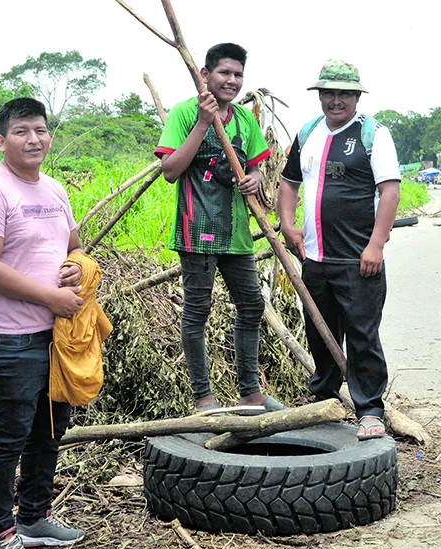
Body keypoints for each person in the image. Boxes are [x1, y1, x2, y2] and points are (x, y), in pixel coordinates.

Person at [0, 97, 86, 549]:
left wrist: (75, 271)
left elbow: (72, 246)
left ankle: (34, 517)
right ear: (1, 140)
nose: (33, 139)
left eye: (40, 129)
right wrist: (49, 298)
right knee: (7, 437)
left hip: (56, 336)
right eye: (20, 131)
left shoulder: (53, 189)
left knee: (48, 432)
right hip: (8, 337)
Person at [155, 43, 282, 415]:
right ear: (205, 75)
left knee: (252, 305)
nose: (232, 80)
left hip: (236, 232)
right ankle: (203, 397)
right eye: (224, 73)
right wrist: (202, 123)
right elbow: (170, 171)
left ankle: (250, 392)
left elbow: (257, 167)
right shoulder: (183, 113)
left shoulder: (244, 120)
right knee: (197, 310)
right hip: (197, 229)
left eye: (238, 74)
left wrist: (253, 180)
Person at [278, 59, 401, 440]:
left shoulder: (373, 134)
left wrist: (376, 245)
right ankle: (324, 398)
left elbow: (390, 191)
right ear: (320, 96)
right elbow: (288, 183)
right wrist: (287, 225)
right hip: (314, 257)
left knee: (363, 334)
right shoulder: (308, 132)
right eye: (328, 93)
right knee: (320, 330)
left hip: (358, 259)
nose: (335, 101)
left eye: (343, 94)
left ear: (356, 97)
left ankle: (369, 409)